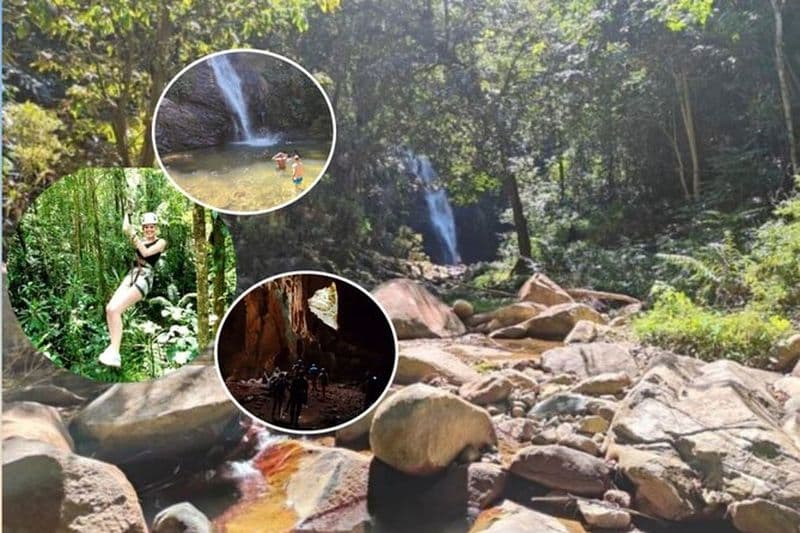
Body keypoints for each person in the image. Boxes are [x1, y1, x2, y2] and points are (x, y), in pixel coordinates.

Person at [99, 212, 167, 367]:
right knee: (110, 309)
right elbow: (127, 231)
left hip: (144, 278)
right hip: (132, 274)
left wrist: (132, 233)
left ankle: (115, 353)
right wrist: (126, 215)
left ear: (155, 228)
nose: (149, 230)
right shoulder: (141, 240)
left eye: (152, 227)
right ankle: (113, 347)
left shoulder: (161, 242)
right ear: (143, 228)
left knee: (116, 310)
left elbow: (146, 253)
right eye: (146, 227)